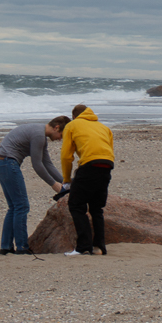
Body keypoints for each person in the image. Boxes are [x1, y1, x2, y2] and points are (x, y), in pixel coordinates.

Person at [0, 115, 70, 255]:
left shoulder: (40, 134)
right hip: (8, 163)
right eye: (61, 135)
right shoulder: (38, 135)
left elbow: (47, 164)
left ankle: (6, 247)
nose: (60, 139)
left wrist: (66, 182)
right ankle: (22, 247)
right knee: (21, 206)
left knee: (14, 207)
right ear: (56, 127)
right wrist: (54, 184)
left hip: (1, 162)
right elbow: (37, 165)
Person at [60, 103, 115, 256]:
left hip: (89, 165)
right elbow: (109, 149)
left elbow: (66, 156)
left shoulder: (72, 125)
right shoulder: (104, 128)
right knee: (97, 208)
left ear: (74, 116)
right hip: (107, 165)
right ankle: (100, 247)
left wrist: (67, 179)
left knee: (76, 205)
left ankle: (83, 247)